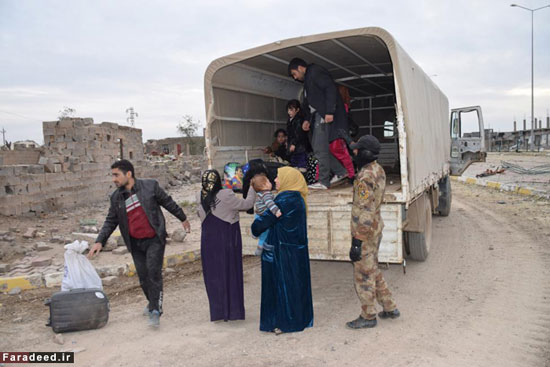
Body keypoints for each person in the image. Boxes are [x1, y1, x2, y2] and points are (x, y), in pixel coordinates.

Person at [88, 159, 190, 328]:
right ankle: (152, 302)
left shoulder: (150, 186)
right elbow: (110, 220)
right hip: (135, 243)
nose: (114, 179)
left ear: (129, 174)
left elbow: (167, 202)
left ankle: (155, 311)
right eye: (112, 175)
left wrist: (183, 218)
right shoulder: (116, 197)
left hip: (154, 239)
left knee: (153, 273)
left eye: (116, 175)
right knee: (143, 277)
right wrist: (99, 241)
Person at [251, 167, 313, 333]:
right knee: (297, 286)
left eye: (278, 177)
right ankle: (300, 319)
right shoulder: (298, 198)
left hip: (282, 252)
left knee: (283, 288)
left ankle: (286, 323)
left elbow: (261, 224)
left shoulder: (284, 200)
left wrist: (255, 226)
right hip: (296, 250)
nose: (276, 181)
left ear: (288, 180)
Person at [346, 135, 400, 329]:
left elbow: (366, 210)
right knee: (372, 269)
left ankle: (368, 316)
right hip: (375, 228)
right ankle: (389, 306)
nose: (355, 153)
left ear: (366, 153)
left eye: (358, 150)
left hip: (366, 231)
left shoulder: (366, 176)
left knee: (363, 275)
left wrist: (357, 241)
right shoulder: (378, 169)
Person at [197, 169, 256, 322]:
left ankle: (218, 312)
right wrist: (252, 188)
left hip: (208, 241)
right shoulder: (225, 194)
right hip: (226, 240)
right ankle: (233, 311)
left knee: (213, 276)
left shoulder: (199, 195)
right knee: (230, 272)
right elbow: (247, 204)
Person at [288, 57, 348, 190]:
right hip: (317, 116)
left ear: (300, 68)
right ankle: (341, 172)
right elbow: (308, 103)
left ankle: (324, 181)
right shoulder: (307, 82)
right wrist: (306, 120)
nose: (295, 77)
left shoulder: (315, 72)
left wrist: (330, 111)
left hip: (323, 114)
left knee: (320, 148)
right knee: (318, 148)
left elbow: (330, 88)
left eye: (294, 74)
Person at [250, 174, 282, 256]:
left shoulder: (260, 193)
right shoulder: (266, 194)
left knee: (262, 231)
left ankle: (255, 234)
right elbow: (270, 204)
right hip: (263, 215)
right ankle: (260, 247)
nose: (271, 182)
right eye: (268, 181)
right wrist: (276, 211)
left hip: (258, 214)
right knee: (265, 232)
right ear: (264, 185)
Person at [285, 99, 310, 170]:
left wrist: (294, 144)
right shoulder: (290, 120)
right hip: (295, 147)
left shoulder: (299, 120)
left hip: (300, 147)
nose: (289, 112)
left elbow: (298, 134)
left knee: (301, 165)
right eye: (288, 110)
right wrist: (288, 142)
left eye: (291, 110)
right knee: (295, 165)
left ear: (297, 110)